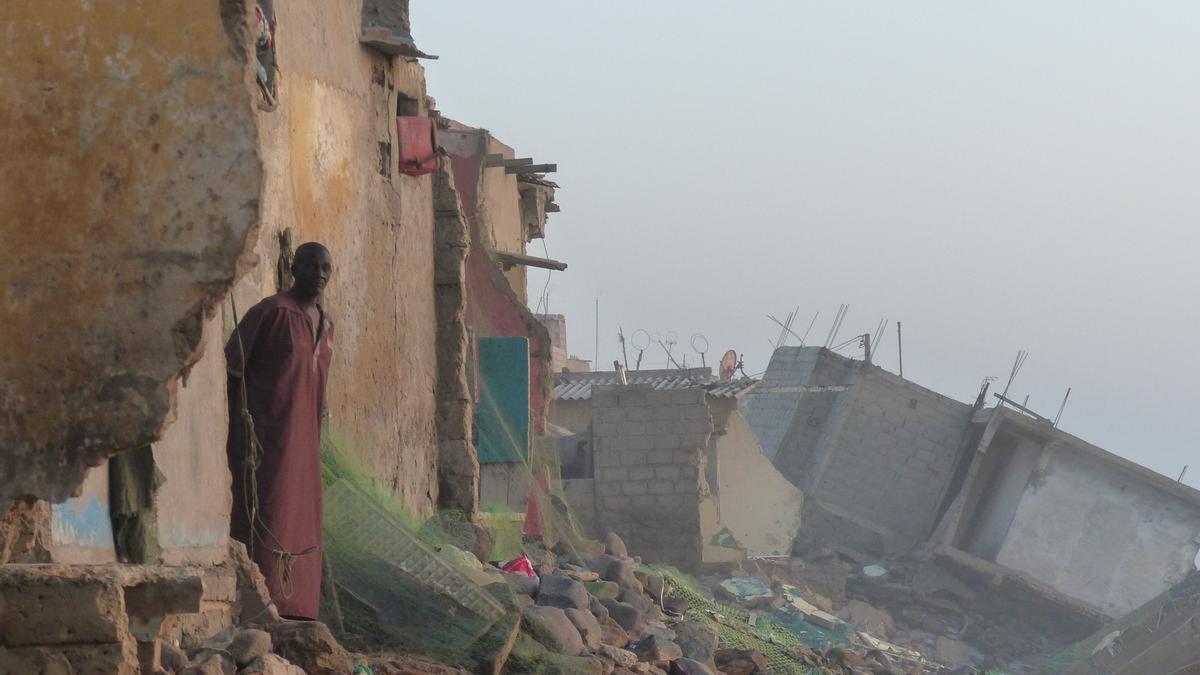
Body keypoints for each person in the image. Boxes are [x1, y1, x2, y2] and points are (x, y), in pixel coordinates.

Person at [226, 242, 333, 620]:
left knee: (302, 517)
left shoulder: (325, 323)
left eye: (325, 268)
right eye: (311, 266)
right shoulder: (272, 313)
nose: (319, 274)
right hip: (268, 439)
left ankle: (297, 607)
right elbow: (233, 365)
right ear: (294, 269)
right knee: (266, 512)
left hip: (305, 444)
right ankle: (260, 605)